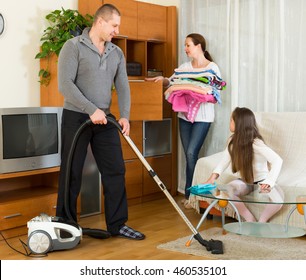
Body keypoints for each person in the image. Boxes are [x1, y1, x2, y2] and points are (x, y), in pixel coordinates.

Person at [56, 4, 145, 240]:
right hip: (76, 117)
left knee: (115, 169)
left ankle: (117, 225)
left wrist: (124, 114)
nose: (117, 30)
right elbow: (65, 85)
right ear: (100, 22)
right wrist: (90, 109)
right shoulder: (73, 47)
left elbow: (123, 86)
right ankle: (66, 225)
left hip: (104, 118)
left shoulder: (116, 52)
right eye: (114, 25)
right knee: (71, 171)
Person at [146, 33, 223, 209]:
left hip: (203, 118)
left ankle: (192, 196)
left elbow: (217, 89)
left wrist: (199, 90)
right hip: (184, 117)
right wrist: (163, 80)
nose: (185, 48)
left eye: (188, 45)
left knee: (190, 153)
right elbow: (173, 81)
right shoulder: (185, 66)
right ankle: (190, 194)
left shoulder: (212, 67)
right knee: (189, 157)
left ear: (199, 46)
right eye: (185, 45)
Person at [204, 107, 284, 222]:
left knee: (278, 201)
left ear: (239, 124)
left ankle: (262, 221)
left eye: (231, 120)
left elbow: (277, 160)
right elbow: (224, 161)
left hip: (262, 182)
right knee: (228, 190)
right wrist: (212, 178)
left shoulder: (256, 143)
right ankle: (249, 219)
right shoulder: (232, 141)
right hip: (245, 182)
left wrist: (269, 182)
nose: (229, 122)